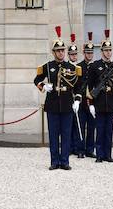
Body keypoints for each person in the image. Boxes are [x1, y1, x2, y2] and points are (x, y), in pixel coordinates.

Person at [34, 27, 82, 170]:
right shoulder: (48, 67)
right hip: (53, 104)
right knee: (54, 135)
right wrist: (43, 86)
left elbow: (78, 86)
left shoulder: (72, 67)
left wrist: (78, 100)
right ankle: (54, 161)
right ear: (53, 52)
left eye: (63, 50)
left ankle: (65, 161)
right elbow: (36, 79)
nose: (61, 53)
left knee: (66, 134)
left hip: (67, 103)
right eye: (58, 50)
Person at [87, 29, 113, 163]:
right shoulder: (95, 66)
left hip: (112, 103)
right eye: (106, 50)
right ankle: (99, 155)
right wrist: (91, 104)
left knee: (109, 131)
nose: (108, 52)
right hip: (99, 103)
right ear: (101, 51)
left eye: (110, 50)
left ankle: (108, 155)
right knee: (100, 130)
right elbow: (90, 86)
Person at [77, 33, 97, 158]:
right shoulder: (79, 66)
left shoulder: (96, 66)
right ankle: (80, 150)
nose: (89, 55)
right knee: (81, 126)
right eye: (87, 53)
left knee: (91, 127)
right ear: (84, 53)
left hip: (92, 101)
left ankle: (90, 149)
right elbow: (76, 84)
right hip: (81, 100)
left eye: (91, 53)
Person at [66, 36, 83, 154]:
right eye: (72, 54)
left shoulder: (79, 68)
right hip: (67, 99)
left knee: (78, 124)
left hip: (77, 99)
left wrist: (78, 99)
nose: (74, 56)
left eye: (75, 54)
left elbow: (81, 85)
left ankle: (77, 147)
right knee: (69, 126)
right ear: (68, 55)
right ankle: (70, 147)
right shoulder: (66, 67)